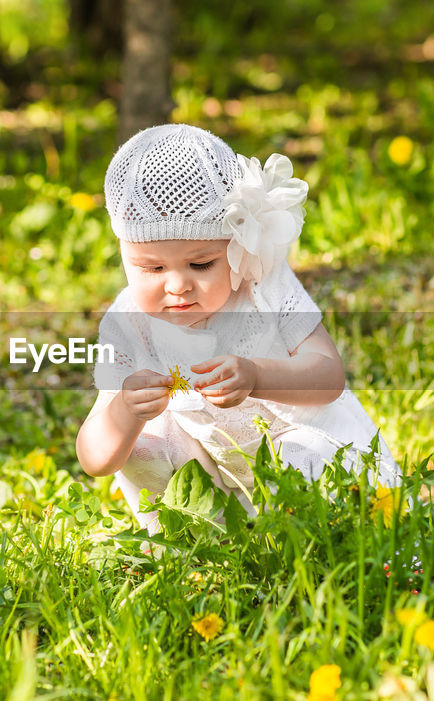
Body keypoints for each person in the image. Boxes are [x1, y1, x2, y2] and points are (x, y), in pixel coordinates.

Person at [75, 123, 400, 533]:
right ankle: (194, 538)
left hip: (305, 448)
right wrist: (123, 411)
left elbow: (329, 376)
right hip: (223, 482)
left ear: (236, 245)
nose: (177, 285)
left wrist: (258, 375)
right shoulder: (130, 323)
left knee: (303, 455)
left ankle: (313, 537)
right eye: (152, 268)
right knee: (142, 446)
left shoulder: (262, 283)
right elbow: (95, 459)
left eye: (200, 264)